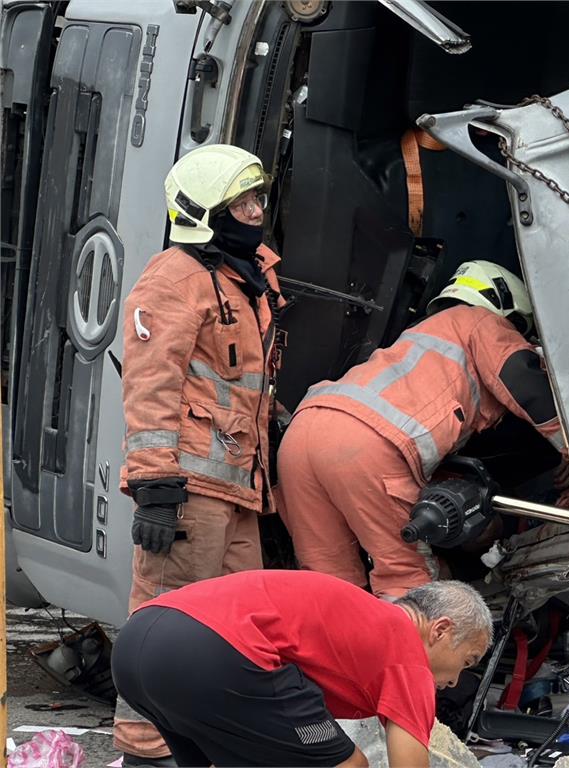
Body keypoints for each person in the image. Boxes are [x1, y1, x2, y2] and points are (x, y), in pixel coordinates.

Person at [114, 144, 285, 764]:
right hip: (188, 489)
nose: (257, 211)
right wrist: (156, 484)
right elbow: (150, 382)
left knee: (242, 625)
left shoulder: (245, 277)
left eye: (259, 198)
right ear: (206, 210)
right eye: (243, 201)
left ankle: (218, 742)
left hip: (236, 488)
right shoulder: (175, 278)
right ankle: (145, 752)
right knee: (166, 626)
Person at [277, 259, 569, 598]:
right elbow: (525, 383)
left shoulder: (417, 336)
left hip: (302, 433)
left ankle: (330, 649)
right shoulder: (479, 322)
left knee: (329, 584)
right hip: (366, 446)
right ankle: (406, 650)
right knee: (407, 580)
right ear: (506, 311)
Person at [111, 573, 492, 768]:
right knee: (349, 765)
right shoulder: (406, 646)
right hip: (216, 652)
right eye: (467, 660)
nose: (455, 681)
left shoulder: (364, 618)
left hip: (136, 647)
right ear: (440, 630)